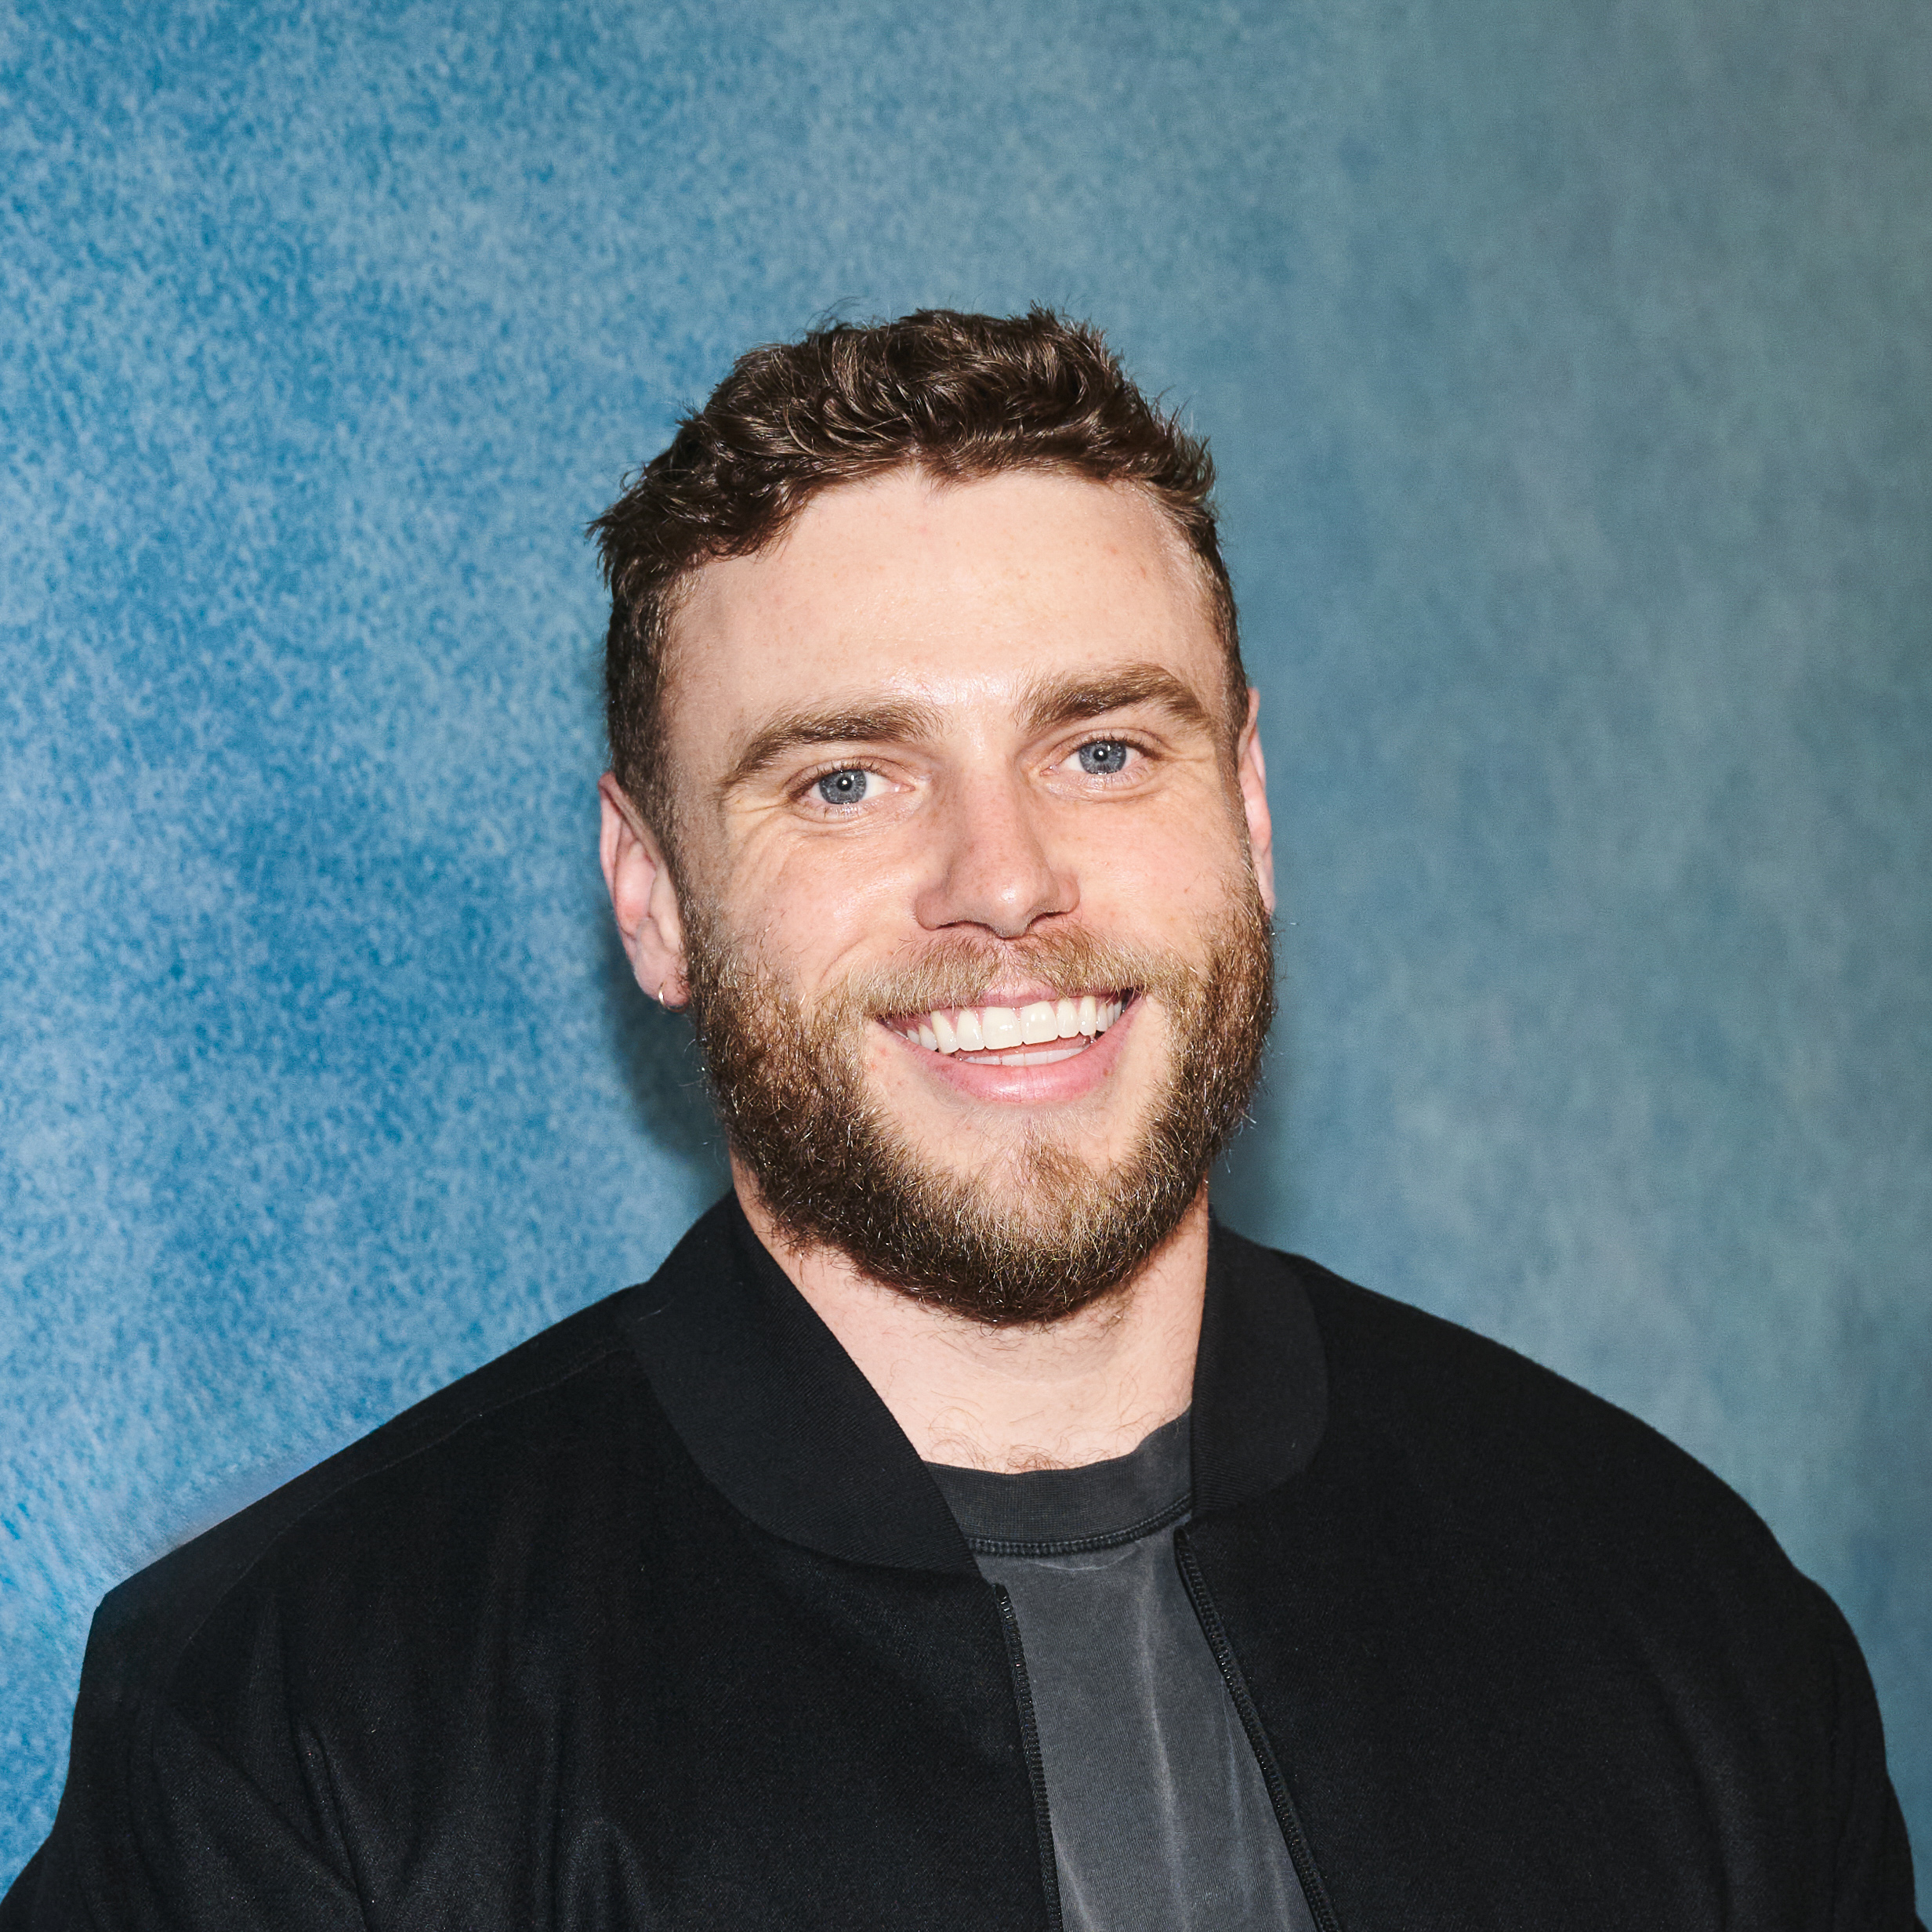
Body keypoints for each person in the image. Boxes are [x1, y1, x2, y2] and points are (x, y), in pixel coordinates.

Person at [3, 310, 1918, 1932]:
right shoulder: (289, 1735)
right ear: (652, 894)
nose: (1003, 882)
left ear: (1246, 810)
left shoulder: (1687, 1618)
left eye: (1101, 749)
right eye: (846, 780)